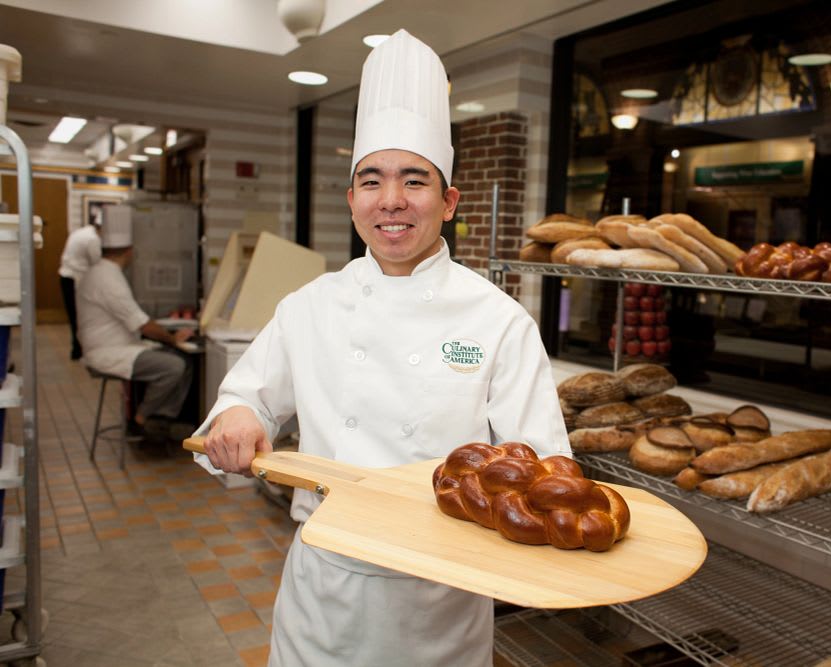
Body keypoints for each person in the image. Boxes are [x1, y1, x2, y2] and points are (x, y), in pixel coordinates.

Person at [197, 29, 570, 666]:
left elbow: (543, 469)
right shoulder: (309, 306)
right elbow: (247, 398)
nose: (391, 201)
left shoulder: (500, 321)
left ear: (449, 201)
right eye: (371, 181)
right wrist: (238, 416)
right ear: (351, 201)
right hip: (323, 591)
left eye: (414, 181)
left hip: (441, 596)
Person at [76, 205, 196, 434]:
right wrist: (173, 338)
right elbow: (142, 324)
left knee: (185, 363)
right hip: (108, 352)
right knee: (175, 365)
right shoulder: (108, 278)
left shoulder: (101, 272)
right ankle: (140, 420)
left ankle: (163, 419)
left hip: (115, 346)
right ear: (130, 251)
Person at [58, 213, 102, 360]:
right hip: (75, 280)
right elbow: (98, 264)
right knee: (80, 317)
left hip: (65, 277)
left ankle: (77, 350)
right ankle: (79, 350)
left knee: (74, 317)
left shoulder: (81, 231)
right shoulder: (92, 239)